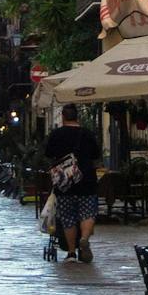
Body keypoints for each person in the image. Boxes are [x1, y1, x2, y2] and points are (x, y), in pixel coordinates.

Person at [43, 103, 102, 263]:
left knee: (68, 217)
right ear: (77, 116)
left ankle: (71, 252)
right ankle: (84, 239)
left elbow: (48, 154)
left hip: (64, 182)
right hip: (86, 179)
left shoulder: (56, 134)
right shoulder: (87, 134)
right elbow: (96, 155)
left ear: (63, 116)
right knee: (88, 213)